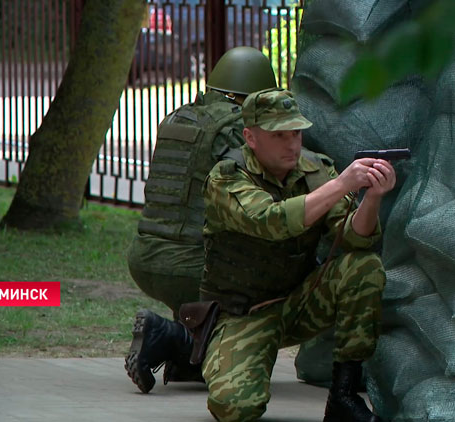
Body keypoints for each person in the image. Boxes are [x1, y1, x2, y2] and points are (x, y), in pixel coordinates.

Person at [132, 87, 394, 422]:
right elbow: (271, 221)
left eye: (296, 133)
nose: (292, 144)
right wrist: (342, 185)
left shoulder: (315, 171)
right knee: (236, 408)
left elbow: (355, 239)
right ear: (250, 137)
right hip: (243, 313)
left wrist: (371, 198)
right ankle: (183, 340)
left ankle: (343, 396)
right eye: (279, 135)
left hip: (298, 301)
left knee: (364, 267)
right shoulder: (227, 177)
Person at [125, 46, 277, 394]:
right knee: (273, 276)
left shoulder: (182, 117)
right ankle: (167, 335)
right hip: (192, 266)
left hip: (145, 256)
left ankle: (186, 359)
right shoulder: (238, 129)